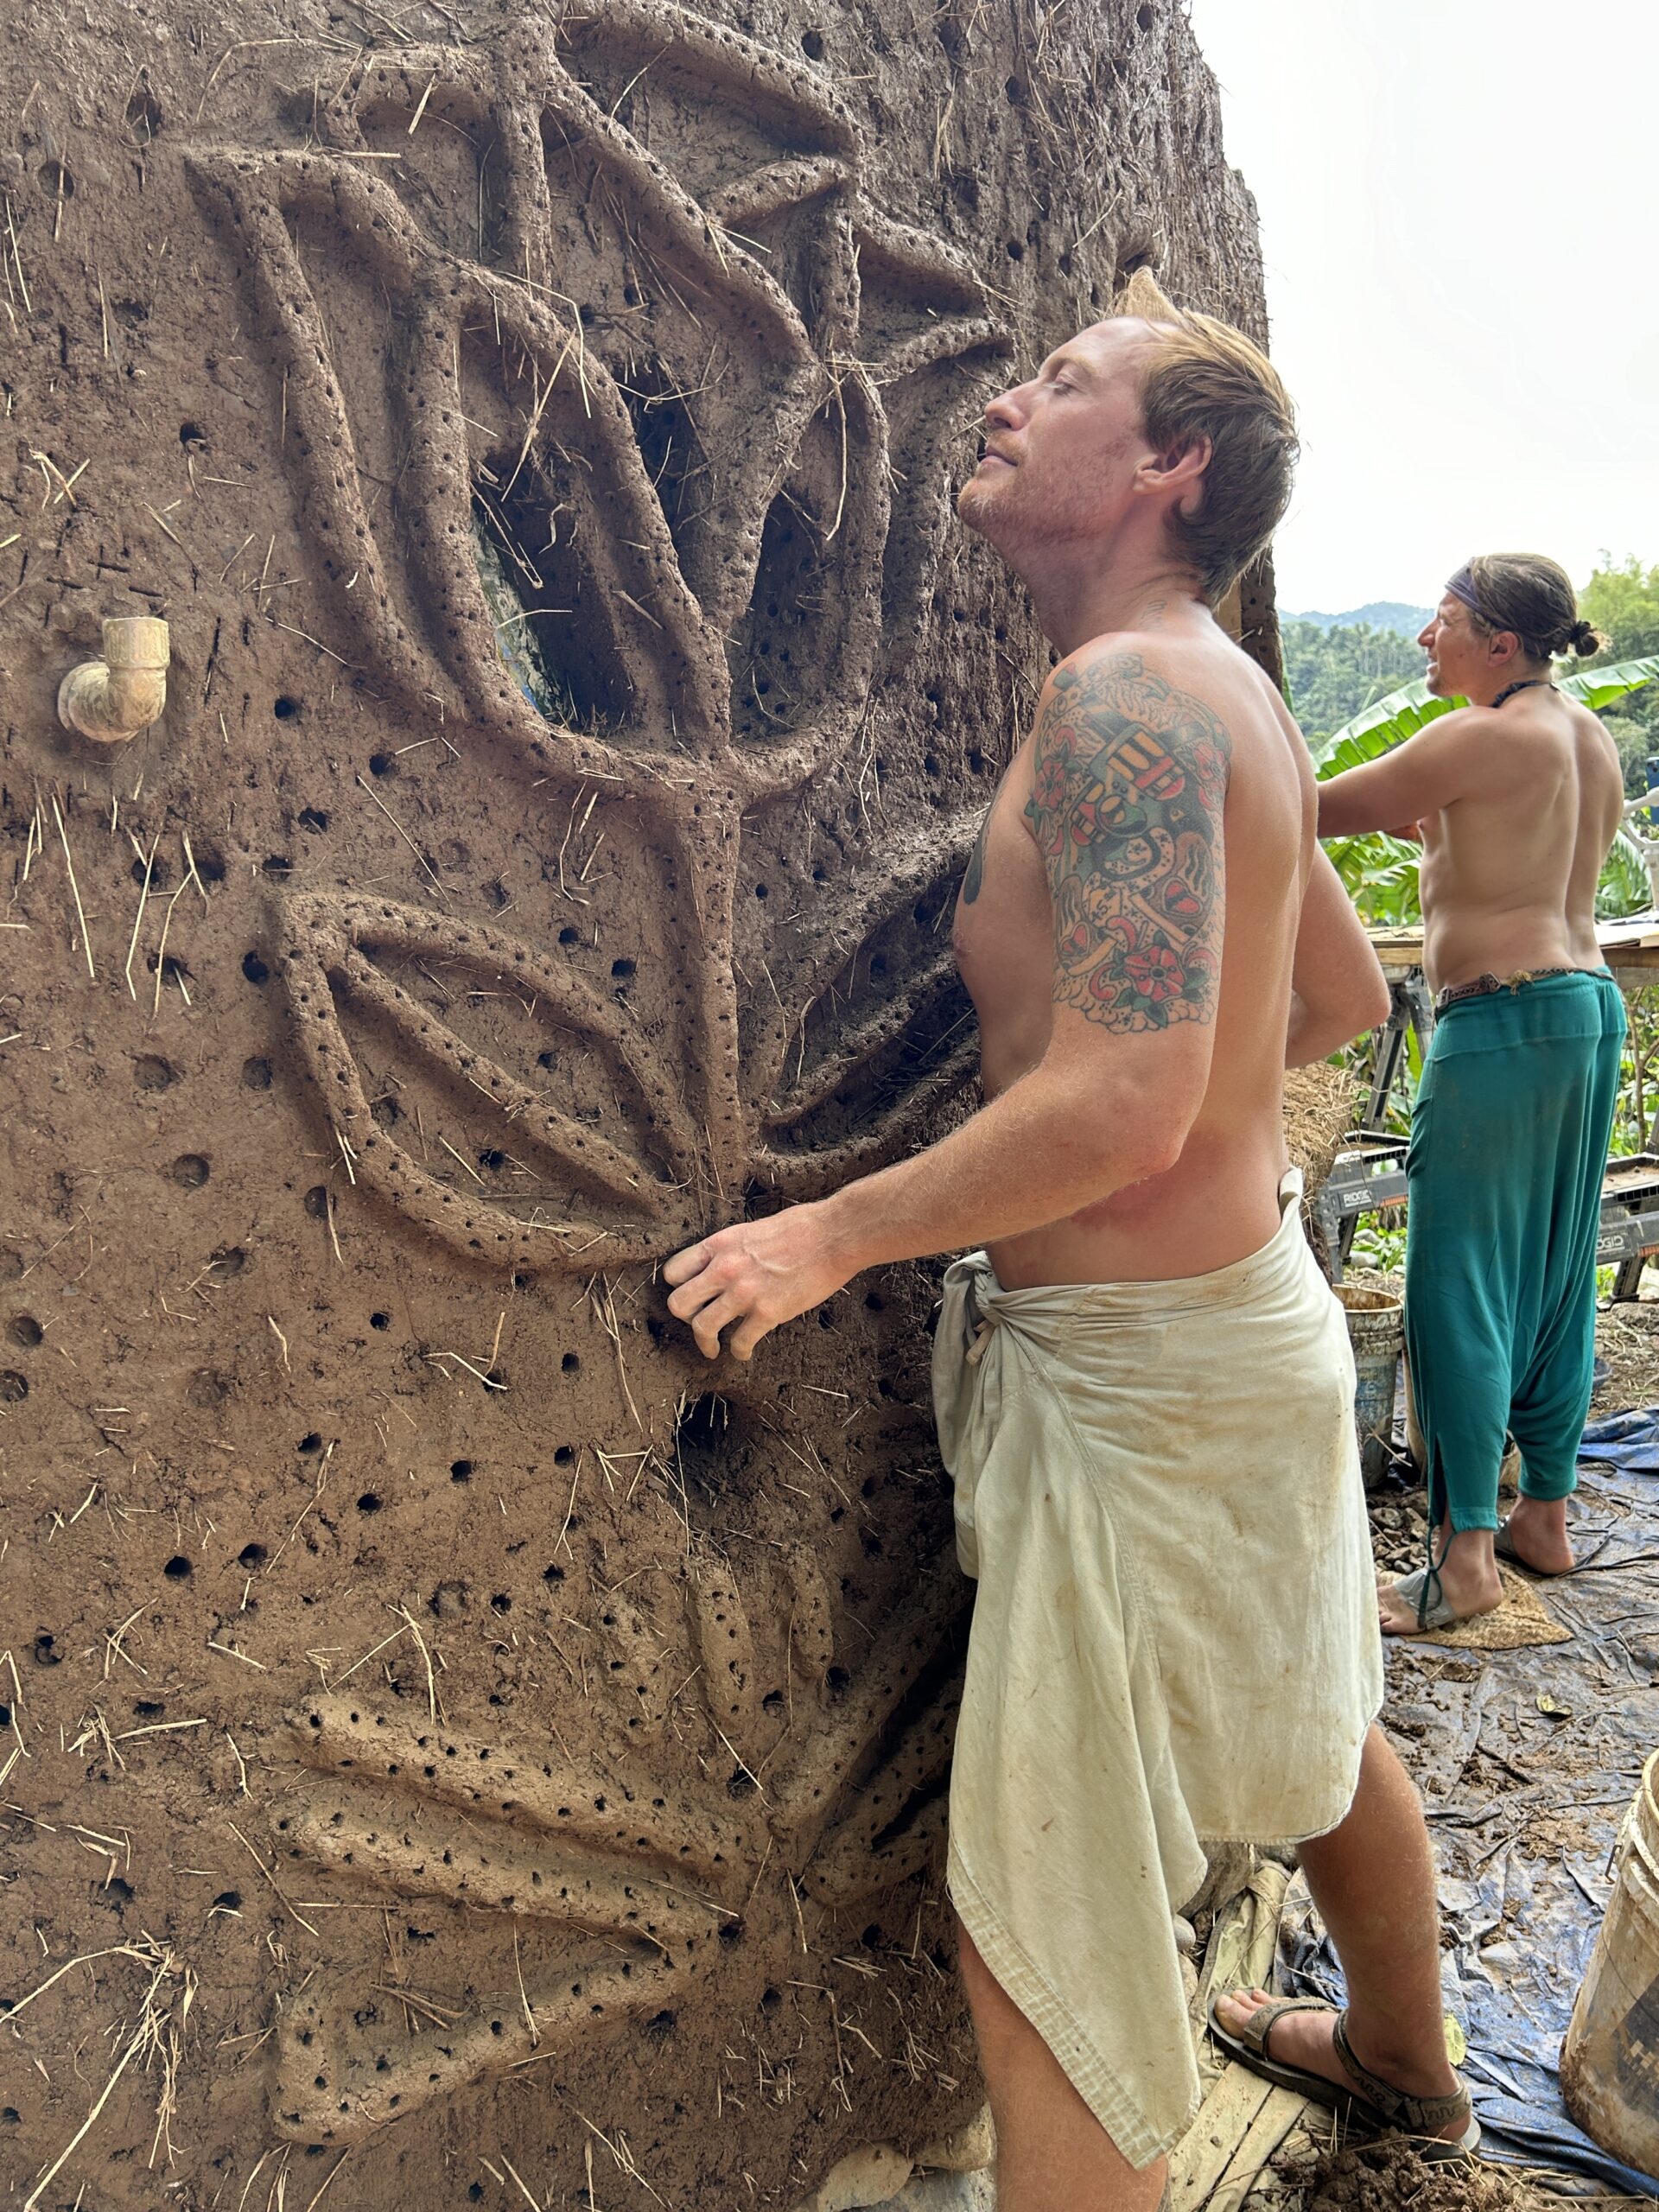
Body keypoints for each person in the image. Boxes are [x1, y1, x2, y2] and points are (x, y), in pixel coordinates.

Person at [665, 272, 1475, 2209]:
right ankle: (1404, 2065)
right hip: (1238, 1322)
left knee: (1051, 1926)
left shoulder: (1124, 699)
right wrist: (1187, 1147)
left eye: (1067, 379)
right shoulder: (1221, 689)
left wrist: (828, 1236)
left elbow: (1124, 1094)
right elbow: (1338, 994)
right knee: (1311, 1703)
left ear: (1168, 463)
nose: (1012, 399)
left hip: (1153, 1391)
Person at [1317, 557, 1624, 1635]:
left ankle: (1464, 1562)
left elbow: (1308, 805)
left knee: (1456, 1281)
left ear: (1500, 643)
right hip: (1585, 1013)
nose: (1423, 639)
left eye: (1442, 620)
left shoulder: (1473, 737)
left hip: (1498, 1025)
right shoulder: (1584, 737)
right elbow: (1497, 845)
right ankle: (1545, 1514)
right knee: (1556, 1271)